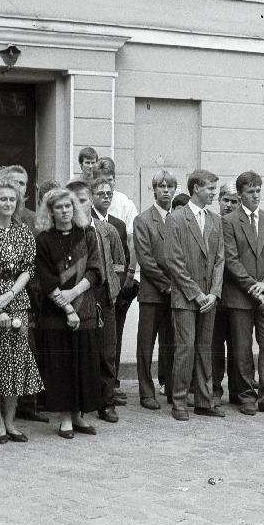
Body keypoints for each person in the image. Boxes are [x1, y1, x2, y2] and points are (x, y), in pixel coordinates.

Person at [34, 188, 103, 438]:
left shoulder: (87, 234)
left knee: (82, 364)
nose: (65, 211)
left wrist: (73, 294)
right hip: (55, 314)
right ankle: (64, 418)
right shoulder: (43, 240)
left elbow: (95, 270)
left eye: (68, 206)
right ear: (51, 211)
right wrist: (66, 307)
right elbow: (45, 279)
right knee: (61, 366)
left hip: (84, 310)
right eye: (59, 207)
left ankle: (78, 416)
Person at [222, 171, 264, 416]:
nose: (255, 196)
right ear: (240, 195)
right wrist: (253, 286)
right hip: (240, 297)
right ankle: (246, 396)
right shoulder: (229, 222)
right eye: (250, 192)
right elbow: (231, 260)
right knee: (242, 349)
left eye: (258, 191)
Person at [165, 169, 225, 421]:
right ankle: (179, 401)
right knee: (185, 349)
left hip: (208, 299)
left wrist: (213, 293)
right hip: (185, 299)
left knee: (204, 349)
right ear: (196, 188)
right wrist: (196, 293)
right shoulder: (177, 218)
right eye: (210, 189)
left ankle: (204, 400)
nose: (214, 193)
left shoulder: (215, 220)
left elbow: (220, 259)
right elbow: (173, 260)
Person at [0, 175, 43, 443]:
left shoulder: (24, 232)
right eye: (3, 199)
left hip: (18, 301)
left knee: (15, 361)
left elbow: (28, 269)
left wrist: (10, 294)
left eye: (12, 199)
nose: (8, 203)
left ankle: (11, 422)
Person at [68, 180, 126, 424]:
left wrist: (113, 289)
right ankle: (76, 405)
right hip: (76, 300)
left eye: (83, 200)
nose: (79, 206)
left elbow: (120, 264)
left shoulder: (107, 230)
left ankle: (106, 402)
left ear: (90, 200)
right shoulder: (66, 233)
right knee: (78, 353)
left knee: (106, 352)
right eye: (74, 201)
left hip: (104, 298)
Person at [93, 158, 138, 401]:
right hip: (89, 292)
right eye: (100, 192)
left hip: (112, 292)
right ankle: (93, 393)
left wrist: (118, 284)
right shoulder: (85, 220)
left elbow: (122, 259)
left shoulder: (118, 224)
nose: (106, 195)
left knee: (110, 345)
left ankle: (108, 396)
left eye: (109, 190)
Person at [133, 170, 177, 410]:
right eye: (161, 186)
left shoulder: (180, 217)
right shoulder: (143, 219)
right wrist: (167, 284)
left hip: (177, 293)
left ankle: (171, 388)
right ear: (154, 190)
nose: (166, 191)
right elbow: (145, 259)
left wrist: (178, 284)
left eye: (170, 186)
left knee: (171, 343)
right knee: (145, 344)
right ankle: (146, 391)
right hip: (152, 292)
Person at [212, 183, 240, 406]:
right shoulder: (211, 222)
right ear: (218, 201)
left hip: (237, 294)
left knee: (238, 344)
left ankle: (237, 390)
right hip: (215, 295)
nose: (229, 205)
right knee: (214, 345)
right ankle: (214, 388)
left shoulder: (241, 225)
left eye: (234, 201)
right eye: (226, 200)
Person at [4, 166, 35, 230]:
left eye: (21, 183)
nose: (18, 186)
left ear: (26, 188)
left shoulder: (35, 219)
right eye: (14, 182)